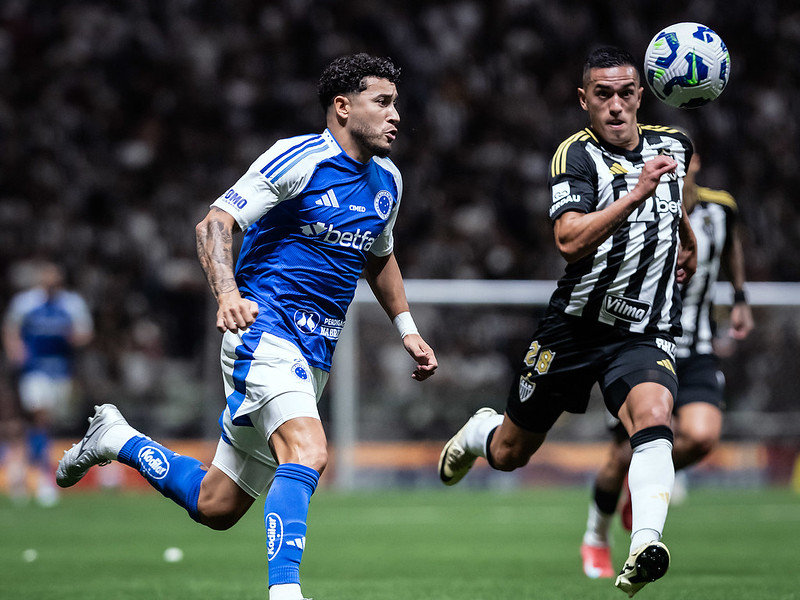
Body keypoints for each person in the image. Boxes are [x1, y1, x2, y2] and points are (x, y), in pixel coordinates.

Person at [56, 53, 438, 600]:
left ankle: (117, 438)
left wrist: (406, 328)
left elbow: (380, 256)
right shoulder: (298, 159)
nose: (396, 114)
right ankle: (285, 593)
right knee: (307, 452)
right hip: (263, 331)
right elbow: (215, 221)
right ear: (342, 107)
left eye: (396, 103)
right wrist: (229, 293)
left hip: (315, 352)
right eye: (383, 102)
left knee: (217, 505)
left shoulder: (388, 182)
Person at [437, 46, 697, 598]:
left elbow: (678, 203)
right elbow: (569, 241)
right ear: (584, 100)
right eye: (603, 95)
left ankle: (643, 545)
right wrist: (636, 193)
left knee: (655, 417)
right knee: (510, 454)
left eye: (626, 93)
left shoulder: (675, 144)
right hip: (575, 328)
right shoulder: (574, 158)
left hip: (642, 332)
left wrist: (687, 237)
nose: (616, 106)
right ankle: (480, 431)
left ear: (641, 96)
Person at [580, 149, 754, 579]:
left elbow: (731, 246)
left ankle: (643, 489)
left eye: (682, 158)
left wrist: (739, 295)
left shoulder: (721, 208)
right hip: (640, 342)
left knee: (701, 435)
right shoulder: (639, 204)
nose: (675, 165)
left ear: (695, 163)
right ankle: (595, 536)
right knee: (619, 457)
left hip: (694, 345)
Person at [2, 261, 94, 506]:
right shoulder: (26, 303)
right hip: (35, 371)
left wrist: (75, 337)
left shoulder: (72, 304)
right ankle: (42, 477)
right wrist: (15, 350)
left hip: (61, 372)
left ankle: (21, 471)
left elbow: (85, 333)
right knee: (40, 417)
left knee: (45, 424)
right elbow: (11, 328)